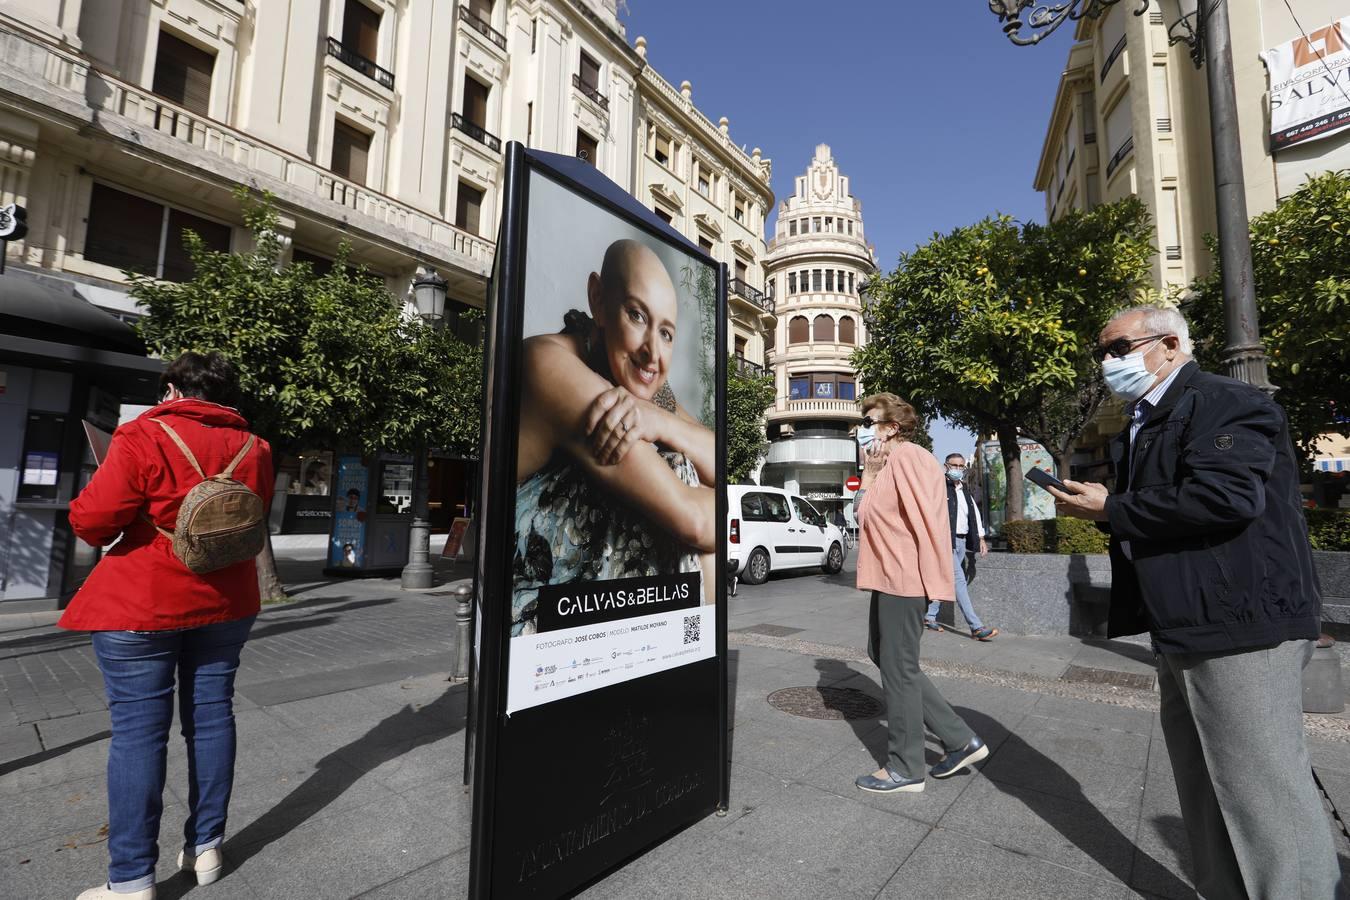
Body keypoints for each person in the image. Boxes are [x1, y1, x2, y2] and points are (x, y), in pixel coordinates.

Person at [1051, 305, 1342, 898]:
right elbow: (1165, 512)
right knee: (1205, 787)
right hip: (1186, 623)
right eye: (1102, 352)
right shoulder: (1147, 417)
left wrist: (1113, 509)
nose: (1108, 362)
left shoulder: (1223, 401)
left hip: (1243, 622)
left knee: (1263, 797)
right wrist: (1108, 510)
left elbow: (1226, 497)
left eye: (1118, 348)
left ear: (1169, 344)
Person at [60, 351, 273, 900]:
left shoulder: (141, 436)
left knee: (138, 735)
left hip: (144, 601)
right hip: (227, 600)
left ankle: (131, 879)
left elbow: (91, 520)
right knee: (211, 719)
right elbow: (251, 517)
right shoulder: (256, 448)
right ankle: (206, 848)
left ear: (174, 390)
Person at [512, 239, 716, 634]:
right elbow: (696, 520)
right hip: (543, 634)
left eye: (667, 334)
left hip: (612, 629)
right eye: (637, 315)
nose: (651, 352)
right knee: (681, 472)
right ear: (598, 299)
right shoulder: (549, 364)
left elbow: (714, 452)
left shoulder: (648, 394)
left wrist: (660, 420)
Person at [852, 393, 989, 793]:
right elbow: (862, 514)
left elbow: (927, 522)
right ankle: (961, 739)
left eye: (869, 420)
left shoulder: (909, 458)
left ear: (891, 427)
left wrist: (934, 582)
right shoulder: (887, 461)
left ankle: (906, 767)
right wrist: (872, 474)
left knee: (898, 666)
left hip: (904, 578)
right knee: (887, 657)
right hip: (891, 577)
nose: (862, 428)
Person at [924, 454, 998, 640]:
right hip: (944, 541)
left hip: (961, 541)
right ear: (946, 466)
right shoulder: (938, 487)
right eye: (954, 465)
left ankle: (930, 616)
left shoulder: (964, 489)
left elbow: (972, 513)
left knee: (946, 579)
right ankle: (976, 627)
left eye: (961, 466)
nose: (958, 469)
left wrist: (980, 538)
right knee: (959, 581)